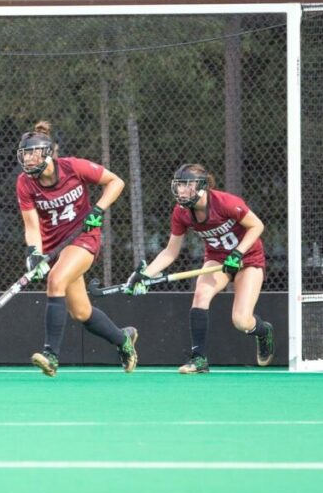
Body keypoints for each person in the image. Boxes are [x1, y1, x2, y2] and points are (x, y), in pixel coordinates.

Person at [15, 121, 138, 377]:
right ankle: (123, 340)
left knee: (55, 279)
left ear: (48, 153)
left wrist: (98, 210)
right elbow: (31, 226)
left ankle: (51, 355)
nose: (28, 160)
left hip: (84, 239)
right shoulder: (25, 183)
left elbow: (115, 182)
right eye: (25, 154)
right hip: (55, 247)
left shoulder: (74, 167)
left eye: (33, 153)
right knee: (81, 312)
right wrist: (34, 254)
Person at [128, 163, 274, 374]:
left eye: (188, 185)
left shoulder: (225, 203)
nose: (182, 191)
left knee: (241, 321)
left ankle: (263, 331)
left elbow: (257, 225)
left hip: (247, 259)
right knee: (201, 295)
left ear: (203, 187)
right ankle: (199, 359)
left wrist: (238, 253)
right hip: (216, 259)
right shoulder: (181, 212)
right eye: (179, 186)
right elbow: (170, 252)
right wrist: (144, 274)